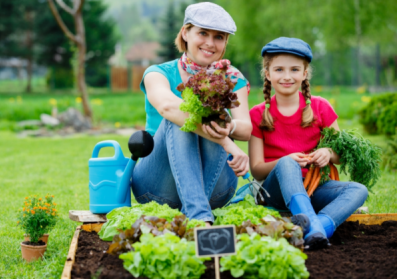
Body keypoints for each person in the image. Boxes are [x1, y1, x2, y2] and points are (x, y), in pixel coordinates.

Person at [132, 2, 252, 226]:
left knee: (216, 111)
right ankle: (199, 218)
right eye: (203, 33)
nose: (210, 43)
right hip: (158, 186)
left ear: (225, 42)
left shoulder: (232, 78)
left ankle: (196, 214)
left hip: (215, 187)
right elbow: (167, 107)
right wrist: (227, 142)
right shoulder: (158, 73)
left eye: (219, 37)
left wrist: (230, 127)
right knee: (178, 115)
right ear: (186, 32)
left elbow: (245, 127)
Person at [248, 37, 368, 249]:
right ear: (267, 74)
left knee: (358, 190)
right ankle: (316, 226)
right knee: (286, 163)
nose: (287, 76)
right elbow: (257, 171)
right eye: (279, 70)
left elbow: (339, 156)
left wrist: (328, 153)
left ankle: (316, 228)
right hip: (275, 194)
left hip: (315, 188)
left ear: (304, 74)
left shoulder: (321, 107)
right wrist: (285, 160)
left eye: (294, 70)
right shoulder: (257, 114)